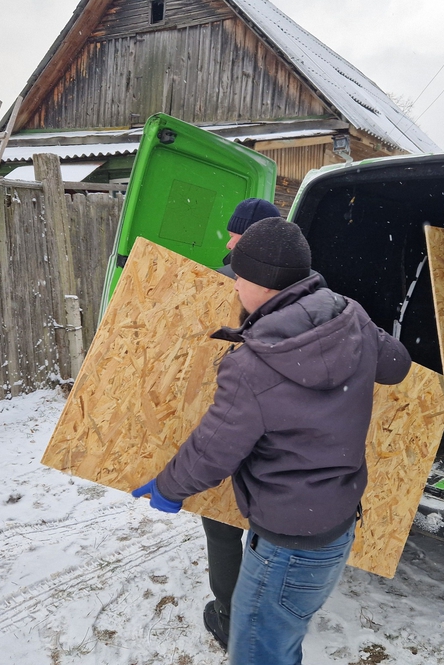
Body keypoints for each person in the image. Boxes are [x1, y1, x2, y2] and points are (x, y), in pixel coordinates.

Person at [132, 218, 411, 664]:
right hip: (337, 525)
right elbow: (397, 366)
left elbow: (212, 451)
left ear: (261, 283)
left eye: (239, 277)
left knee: (259, 651)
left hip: (288, 546)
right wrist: (357, 332)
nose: (235, 286)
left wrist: (168, 489)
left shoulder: (254, 367)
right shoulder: (350, 315)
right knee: (281, 638)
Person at [199, 197, 282, 649]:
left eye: (235, 235)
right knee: (265, 519)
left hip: (233, 418)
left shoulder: (230, 282)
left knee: (222, 522)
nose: (227, 241)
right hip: (276, 426)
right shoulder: (300, 284)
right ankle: (260, 607)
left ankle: (231, 616)